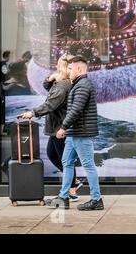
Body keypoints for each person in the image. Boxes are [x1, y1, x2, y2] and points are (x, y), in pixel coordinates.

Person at [19, 54, 82, 201]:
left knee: (63, 160)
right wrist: (50, 79)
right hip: (57, 126)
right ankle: (73, 184)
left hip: (60, 128)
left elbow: (51, 103)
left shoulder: (64, 85)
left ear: (64, 67)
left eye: (59, 65)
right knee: (53, 155)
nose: (56, 67)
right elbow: (49, 91)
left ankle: (71, 192)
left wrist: (32, 113)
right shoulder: (63, 83)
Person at [46, 56, 103, 211]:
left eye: (70, 68)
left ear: (79, 69)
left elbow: (76, 110)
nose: (68, 71)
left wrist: (63, 127)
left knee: (88, 166)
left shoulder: (83, 85)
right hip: (74, 133)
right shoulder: (77, 85)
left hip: (81, 133)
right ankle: (63, 197)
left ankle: (96, 200)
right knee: (66, 163)